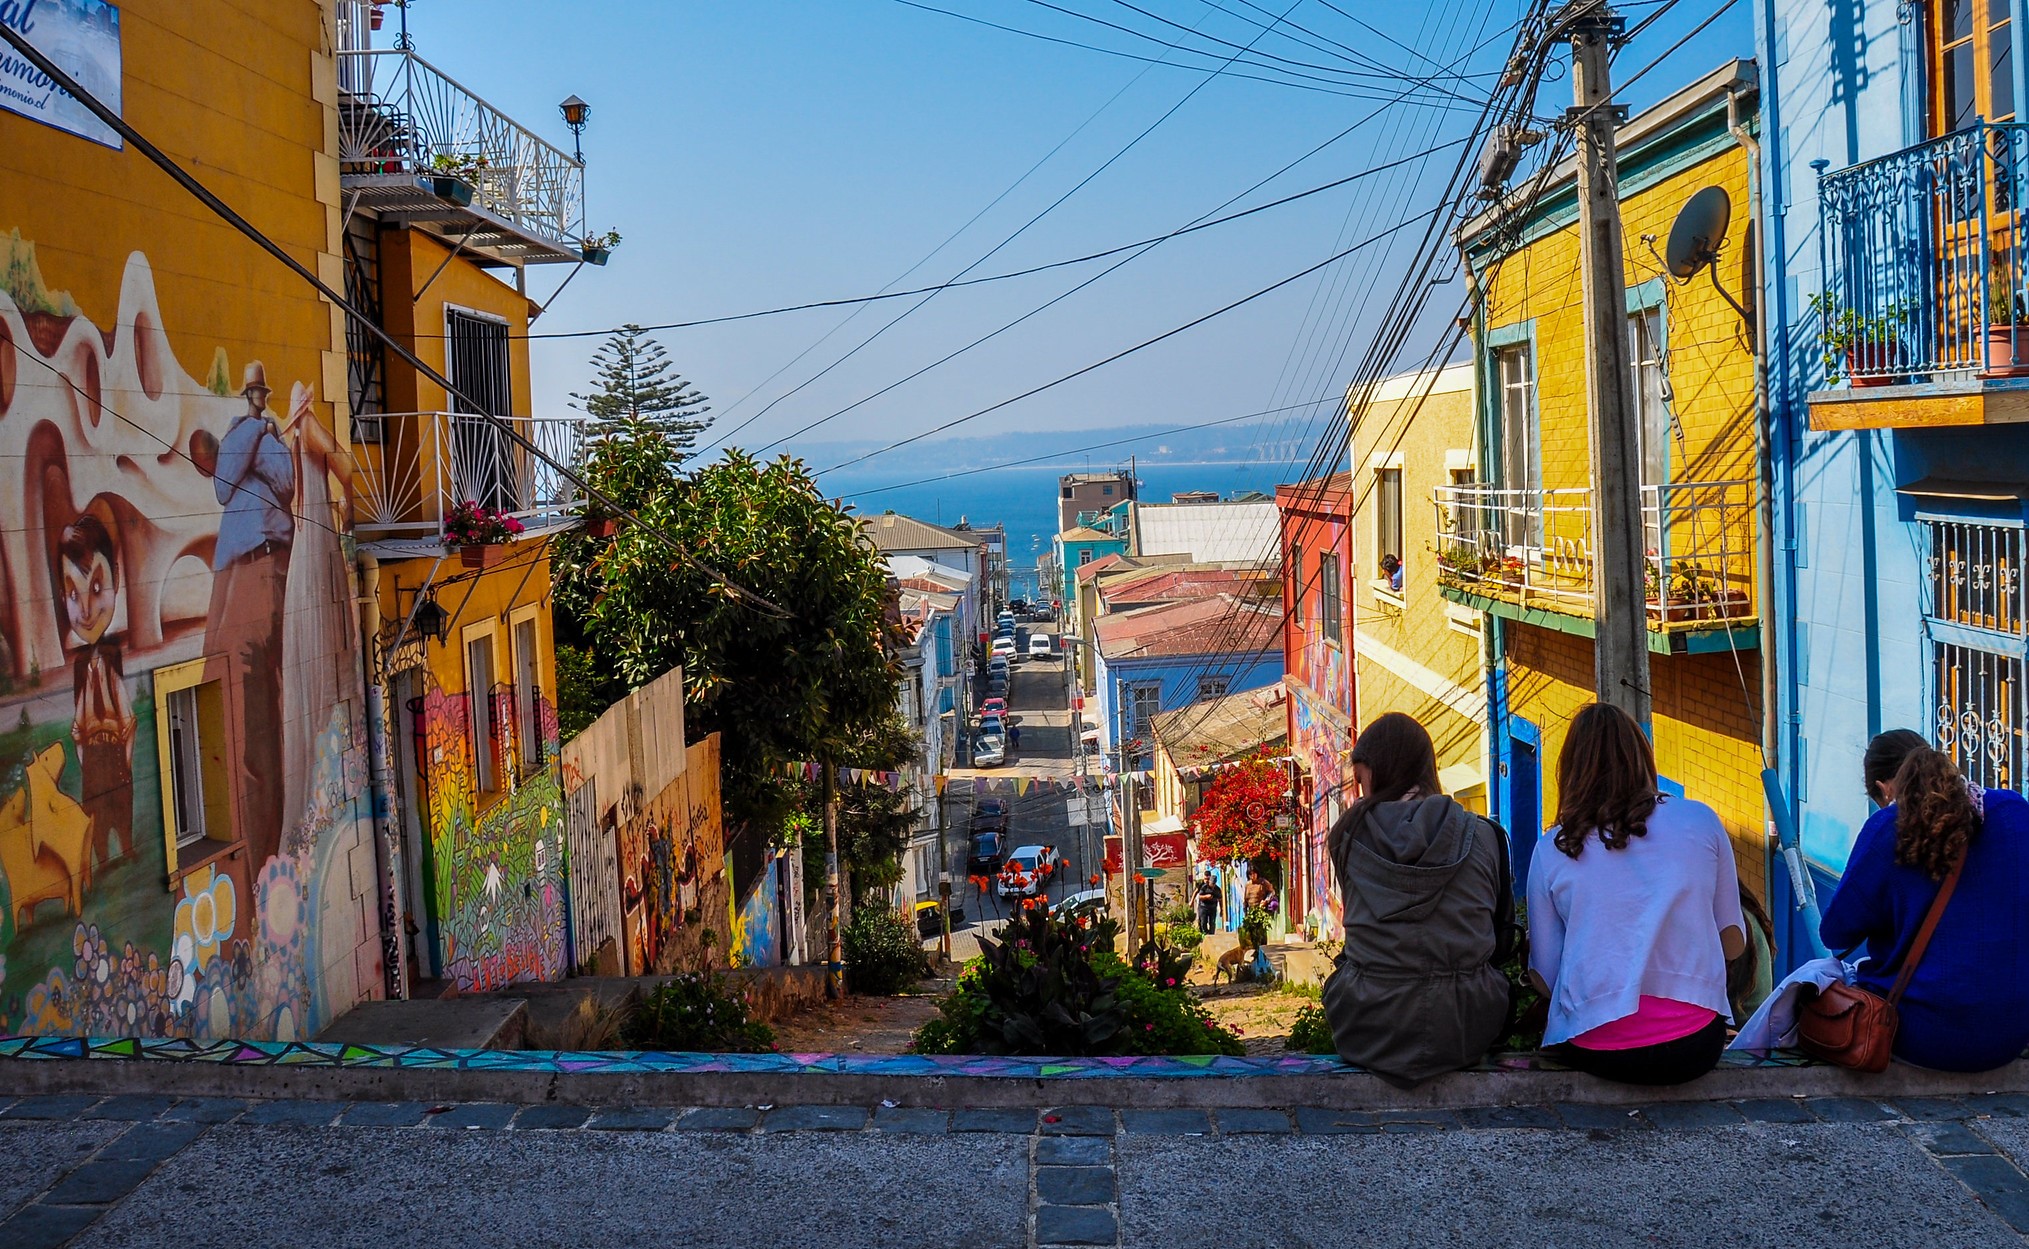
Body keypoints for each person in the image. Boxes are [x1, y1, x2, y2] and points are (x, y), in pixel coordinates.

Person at [1527, 704, 1745, 1085]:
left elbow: (1544, 977)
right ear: (1642, 757)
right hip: (1694, 1045)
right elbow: (1734, 943)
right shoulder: (1701, 820)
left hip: (1597, 1047)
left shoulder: (1552, 849)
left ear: (1571, 770)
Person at [1321, 712, 1513, 1088]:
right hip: (1467, 1026)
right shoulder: (1485, 835)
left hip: (1368, 1027)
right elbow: (1498, 939)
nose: (1361, 793)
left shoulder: (1348, 835)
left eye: (1361, 781)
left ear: (1377, 771)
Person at [1818, 732, 2029, 1072]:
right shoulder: (2016, 811)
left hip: (1925, 1033)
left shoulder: (1888, 826)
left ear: (1885, 788)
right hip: (2014, 1029)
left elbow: (1836, 933)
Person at [203, 362, 295, 871]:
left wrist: (265, 442)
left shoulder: (272, 441)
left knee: (254, 709)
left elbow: (285, 484)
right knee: (222, 698)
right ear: (248, 395)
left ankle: (264, 858)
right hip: (233, 569)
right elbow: (223, 481)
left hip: (265, 564)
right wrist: (260, 432)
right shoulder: (247, 432)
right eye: (254, 392)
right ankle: (247, 854)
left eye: (263, 392)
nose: (259, 397)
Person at [58, 513, 135, 871]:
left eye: (96, 588)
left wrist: (127, 758)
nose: (86, 610)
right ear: (62, 597)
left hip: (114, 751)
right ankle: (103, 858)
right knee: (96, 810)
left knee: (122, 803)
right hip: (94, 753)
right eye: (73, 594)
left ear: (116, 580)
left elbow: (128, 716)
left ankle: (129, 846)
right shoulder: (80, 669)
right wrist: (86, 761)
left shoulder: (112, 659)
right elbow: (76, 726)